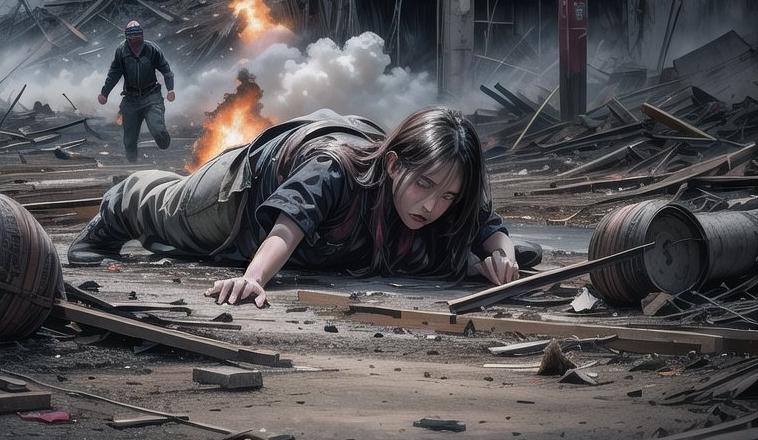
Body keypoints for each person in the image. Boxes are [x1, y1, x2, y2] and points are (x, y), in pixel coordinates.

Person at [68, 106, 541, 306]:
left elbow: (486, 223)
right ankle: (118, 201)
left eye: (448, 196)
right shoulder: (333, 171)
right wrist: (252, 279)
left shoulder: (448, 190)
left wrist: (503, 255)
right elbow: (287, 227)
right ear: (395, 165)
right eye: (426, 186)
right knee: (165, 210)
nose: (434, 205)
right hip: (244, 191)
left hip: (323, 152)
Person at [98, 20, 175, 162]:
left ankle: (164, 140)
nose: (137, 39)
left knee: (160, 135)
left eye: (139, 35)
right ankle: (132, 167)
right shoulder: (121, 51)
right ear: (127, 37)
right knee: (129, 141)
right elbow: (114, 73)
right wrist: (104, 93)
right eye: (134, 36)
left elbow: (166, 70)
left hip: (151, 97)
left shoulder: (152, 49)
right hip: (130, 99)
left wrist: (170, 89)